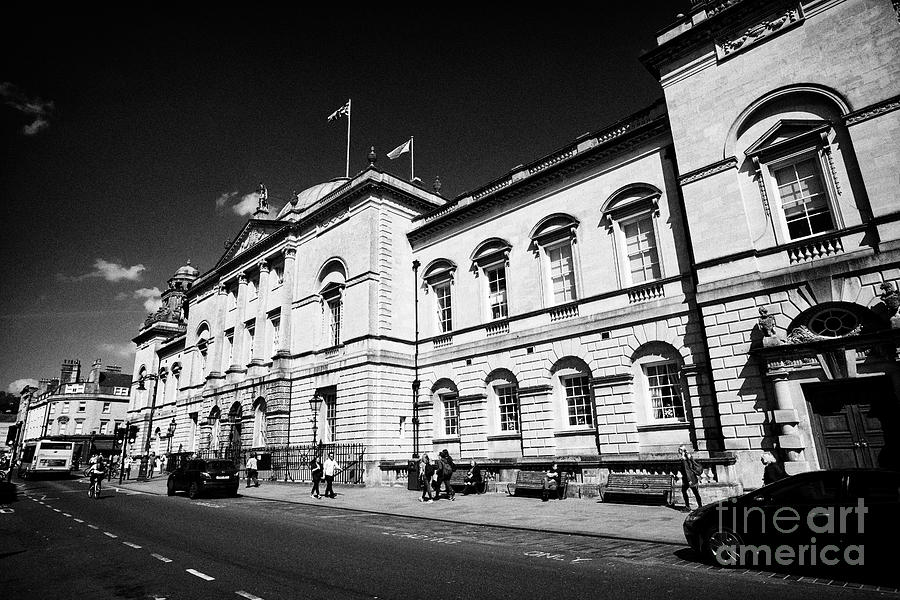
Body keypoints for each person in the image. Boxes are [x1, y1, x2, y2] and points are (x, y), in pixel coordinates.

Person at [678, 445, 703, 511]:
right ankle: (700, 506)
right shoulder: (689, 457)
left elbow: (687, 471)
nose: (678, 451)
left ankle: (688, 507)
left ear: (681, 451)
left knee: (685, 491)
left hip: (688, 479)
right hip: (693, 478)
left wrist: (689, 480)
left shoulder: (684, 460)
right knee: (696, 493)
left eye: (679, 449)